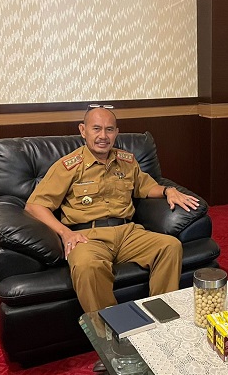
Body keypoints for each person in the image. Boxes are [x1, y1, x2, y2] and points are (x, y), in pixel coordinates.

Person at [25, 106, 200, 314]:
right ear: (83, 130)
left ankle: (160, 317)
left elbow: (145, 187)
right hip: (88, 236)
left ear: (116, 133)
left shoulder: (127, 161)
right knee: (87, 266)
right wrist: (65, 233)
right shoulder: (68, 166)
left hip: (127, 233)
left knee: (169, 246)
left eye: (109, 130)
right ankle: (111, 327)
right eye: (96, 129)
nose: (103, 136)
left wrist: (168, 190)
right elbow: (35, 205)